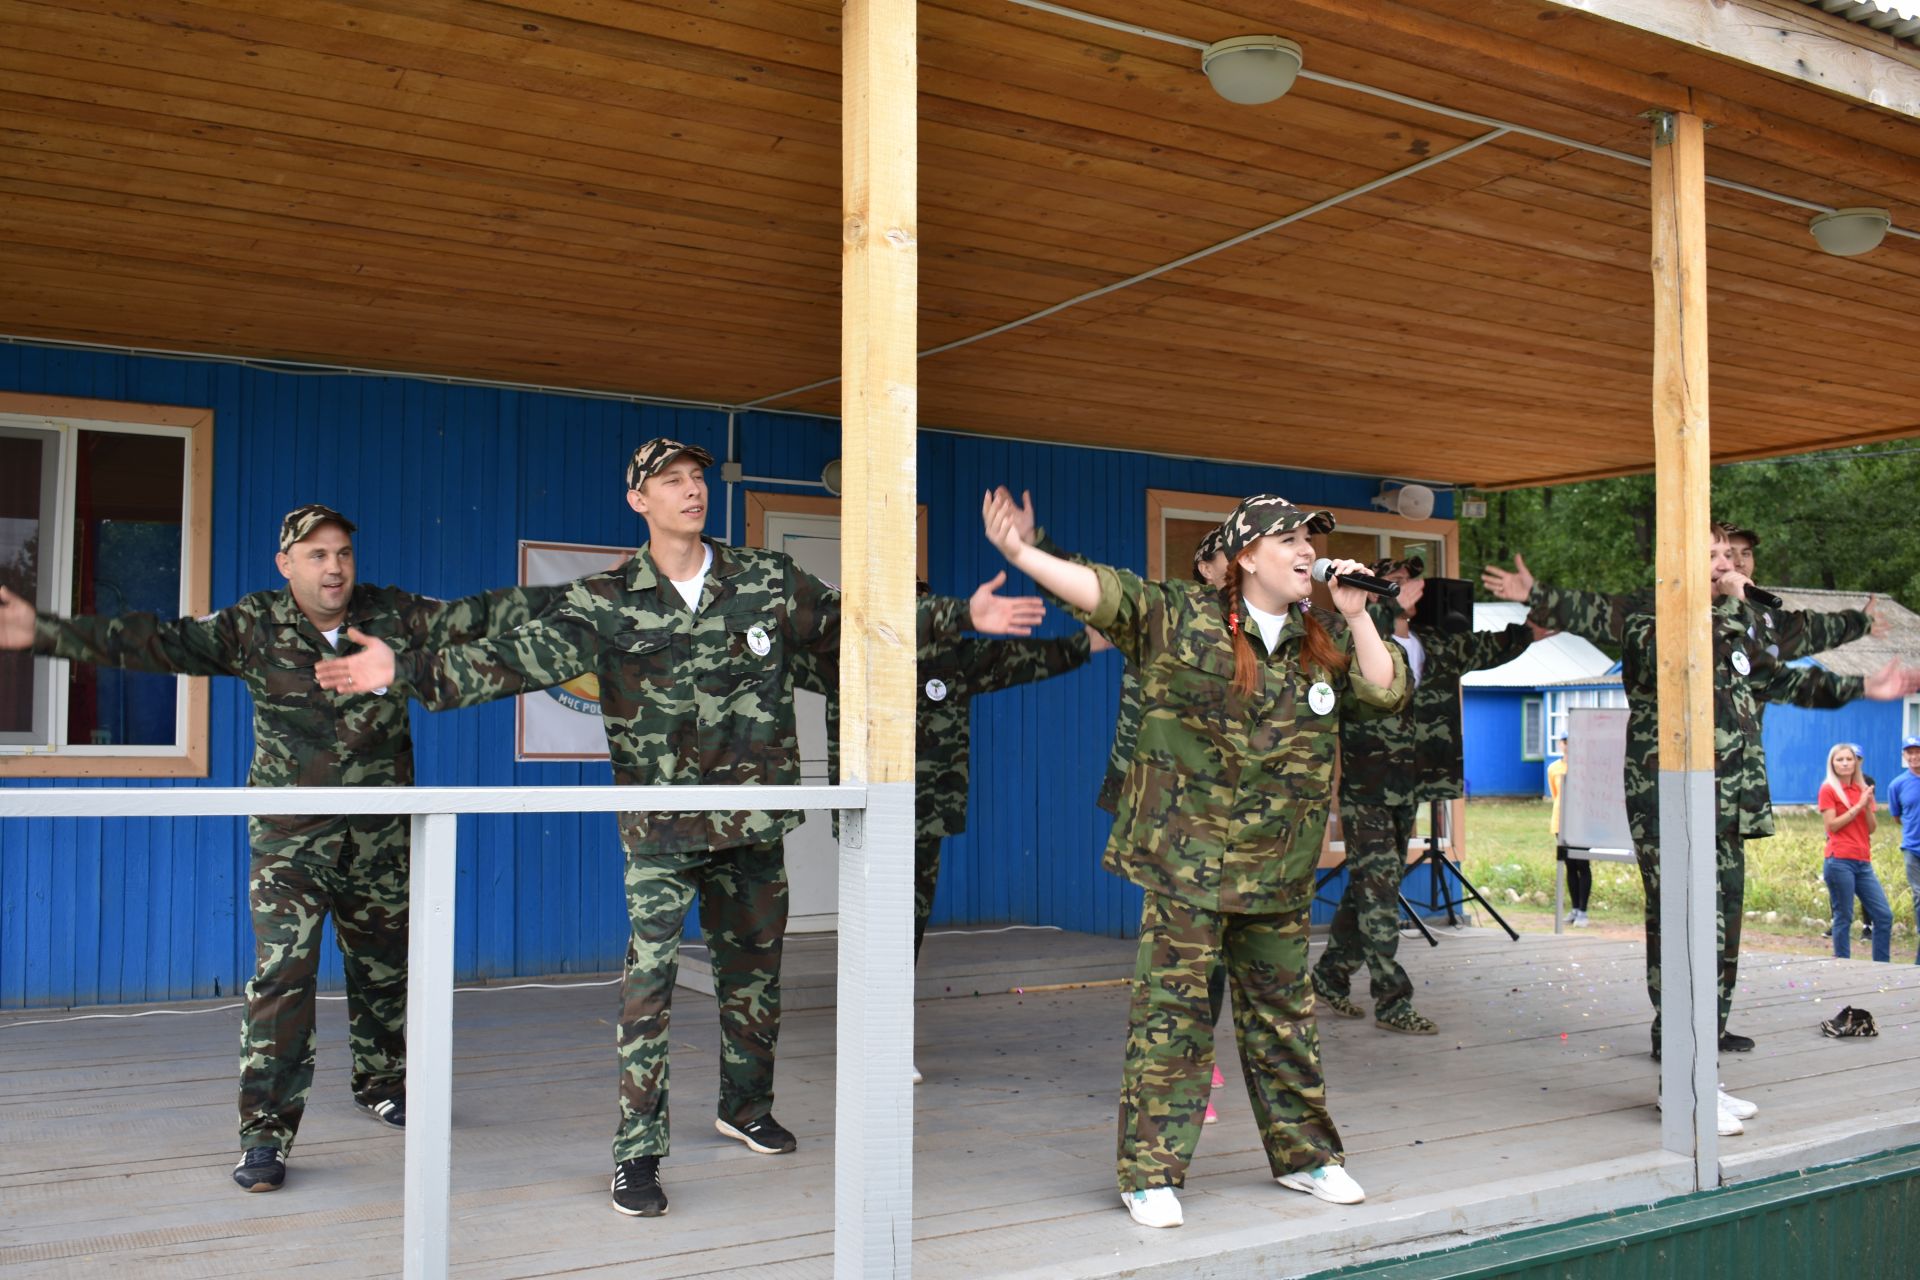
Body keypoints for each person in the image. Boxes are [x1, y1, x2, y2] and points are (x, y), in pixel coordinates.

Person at [311, 438, 1046, 1219]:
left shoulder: (765, 581)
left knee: (754, 981)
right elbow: (515, 661)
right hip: (660, 833)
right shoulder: (607, 598)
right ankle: (636, 1153)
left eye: (698, 477)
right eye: (673, 480)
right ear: (640, 501)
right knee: (649, 990)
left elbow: (856, 630)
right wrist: (405, 672)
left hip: (755, 826)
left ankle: (746, 1105)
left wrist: (957, 615)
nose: (692, 490)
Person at [0, 504, 566, 1193]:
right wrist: (46, 633)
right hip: (290, 841)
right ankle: (265, 1134)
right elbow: (157, 641)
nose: (334, 568)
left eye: (343, 555)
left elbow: (486, 613)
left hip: (381, 836)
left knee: (385, 970)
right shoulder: (251, 626)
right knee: (282, 979)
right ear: (287, 563)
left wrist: (593, 591)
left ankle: (384, 1085)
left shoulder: (392, 615)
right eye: (318, 555)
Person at [981, 487, 1409, 1230]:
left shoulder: (1323, 637)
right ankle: (1150, 1173)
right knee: (1171, 1023)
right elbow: (1106, 593)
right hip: (1189, 868)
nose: (1307, 551)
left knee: (1286, 1021)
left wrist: (1360, 613)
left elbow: (1385, 688)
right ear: (1246, 555)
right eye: (1288, 542)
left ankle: (1308, 1159)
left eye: (1311, 540)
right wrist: (1022, 554)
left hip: (1278, 872)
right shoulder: (1181, 617)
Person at [1484, 526, 1918, 1067]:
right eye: (1713, 555)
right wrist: (1538, 595)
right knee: (1678, 919)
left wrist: (1864, 687)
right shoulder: (1652, 623)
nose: (1726, 563)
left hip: (1730, 803)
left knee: (1723, 920)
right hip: (1672, 802)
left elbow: (1783, 679)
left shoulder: (1741, 626)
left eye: (1731, 555)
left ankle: (1709, 1030)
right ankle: (1676, 1041)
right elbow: (1622, 619)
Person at [799, 584, 1106, 1083]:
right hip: (868, 813)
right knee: (872, 929)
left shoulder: (951, 652)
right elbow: (785, 654)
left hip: (926, 813)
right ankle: (867, 1040)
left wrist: (1087, 643)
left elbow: (1021, 659)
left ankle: (889, 1042)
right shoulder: (846, 644)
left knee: (906, 932)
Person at [1311, 556, 1537, 1034]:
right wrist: (1371, 611)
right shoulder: (1351, 636)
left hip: (1411, 785)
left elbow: (1496, 646)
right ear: (1370, 592)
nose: (1408, 587)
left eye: (1410, 580)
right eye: (1393, 582)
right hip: (1367, 787)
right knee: (1378, 892)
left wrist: (1540, 624)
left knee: (1372, 887)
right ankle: (1392, 1000)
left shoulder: (1432, 643)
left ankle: (1330, 976)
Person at [1817, 742, 1889, 962]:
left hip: (1862, 861)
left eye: (1849, 759)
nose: (1846, 763)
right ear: (1833, 764)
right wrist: (1857, 806)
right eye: (1840, 759)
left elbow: (1872, 828)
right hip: (1839, 861)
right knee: (1844, 916)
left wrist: (1866, 805)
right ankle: (1843, 963)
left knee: (1883, 916)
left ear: (1856, 763)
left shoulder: (1862, 789)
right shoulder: (1828, 789)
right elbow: (1832, 826)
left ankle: (1881, 965)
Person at [1547, 738, 1590, 927]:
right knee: (1569, 865)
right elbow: (1556, 794)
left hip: (1581, 822)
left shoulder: (1585, 767)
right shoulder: (1553, 768)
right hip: (1561, 822)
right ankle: (1574, 908)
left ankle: (1583, 910)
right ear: (1560, 745)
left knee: (1583, 865)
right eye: (1565, 741)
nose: (1568, 745)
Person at [1888, 735, 1920, 964]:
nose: (1914, 756)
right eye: (1909, 752)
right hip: (1912, 848)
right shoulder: (1897, 785)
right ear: (1904, 756)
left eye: (1917, 751)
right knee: (1919, 895)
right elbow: (1897, 817)